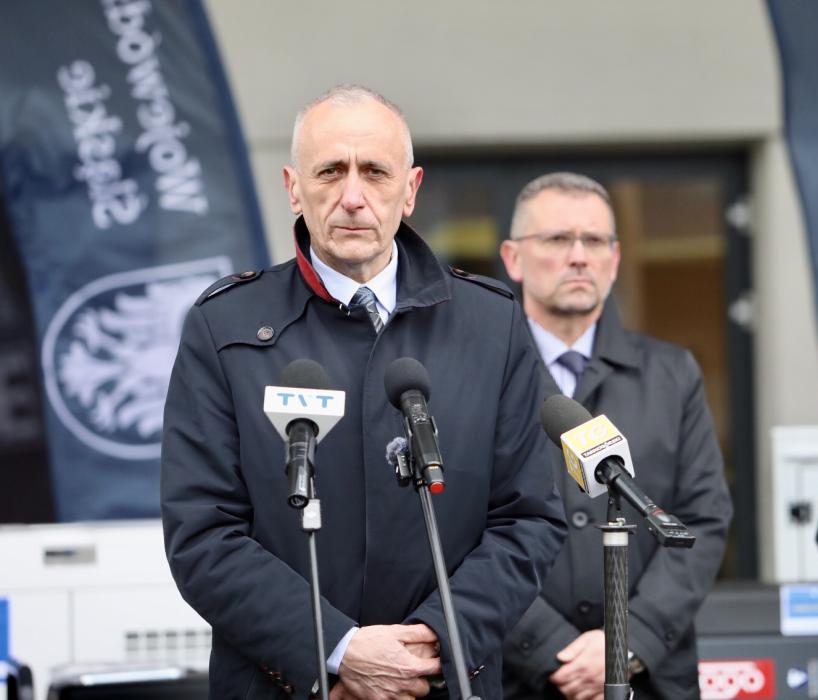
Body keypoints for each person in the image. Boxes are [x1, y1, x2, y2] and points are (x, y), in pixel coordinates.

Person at [161, 85, 567, 700]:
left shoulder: (491, 323)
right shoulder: (225, 326)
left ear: (411, 189)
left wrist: (429, 645)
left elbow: (528, 518)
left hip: (443, 682)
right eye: (330, 171)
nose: (352, 196)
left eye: (375, 172)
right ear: (294, 187)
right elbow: (202, 533)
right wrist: (337, 651)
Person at [498, 172, 733, 699]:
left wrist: (629, 640)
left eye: (595, 240)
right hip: (518, 678)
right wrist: (548, 647)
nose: (579, 256)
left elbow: (702, 519)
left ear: (616, 257)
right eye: (558, 239)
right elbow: (456, 532)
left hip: (648, 677)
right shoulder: (480, 377)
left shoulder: (671, 375)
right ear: (513, 258)